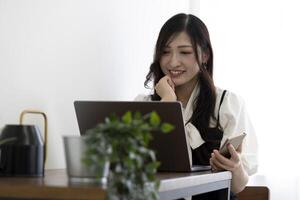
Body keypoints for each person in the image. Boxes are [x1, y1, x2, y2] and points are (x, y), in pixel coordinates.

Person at [135, 13, 258, 199]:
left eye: (185, 52)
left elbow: (238, 186)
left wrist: (236, 167)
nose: (173, 62)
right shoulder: (143, 105)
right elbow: (133, 169)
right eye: (165, 52)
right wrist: (168, 101)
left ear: (205, 55)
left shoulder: (226, 104)